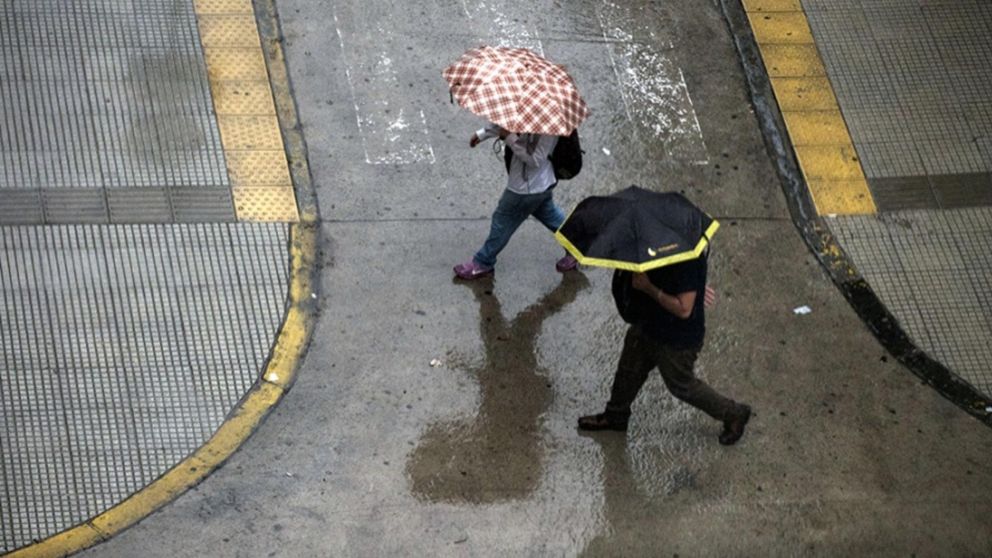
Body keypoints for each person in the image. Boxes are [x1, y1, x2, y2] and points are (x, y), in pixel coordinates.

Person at [578, 252, 752, 445]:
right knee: (629, 368)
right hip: (647, 322)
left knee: (681, 384)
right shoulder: (651, 242)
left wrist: (648, 287)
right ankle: (615, 414)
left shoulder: (686, 257)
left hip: (676, 338)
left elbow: (684, 309)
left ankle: (734, 413)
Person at [453, 123, 577, 280]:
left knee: (502, 220)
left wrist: (509, 138)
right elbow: (507, 121)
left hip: (527, 188)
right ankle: (576, 246)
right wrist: (483, 134)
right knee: (550, 215)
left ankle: (483, 262)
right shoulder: (529, 112)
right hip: (540, 184)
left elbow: (535, 159)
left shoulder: (548, 127)